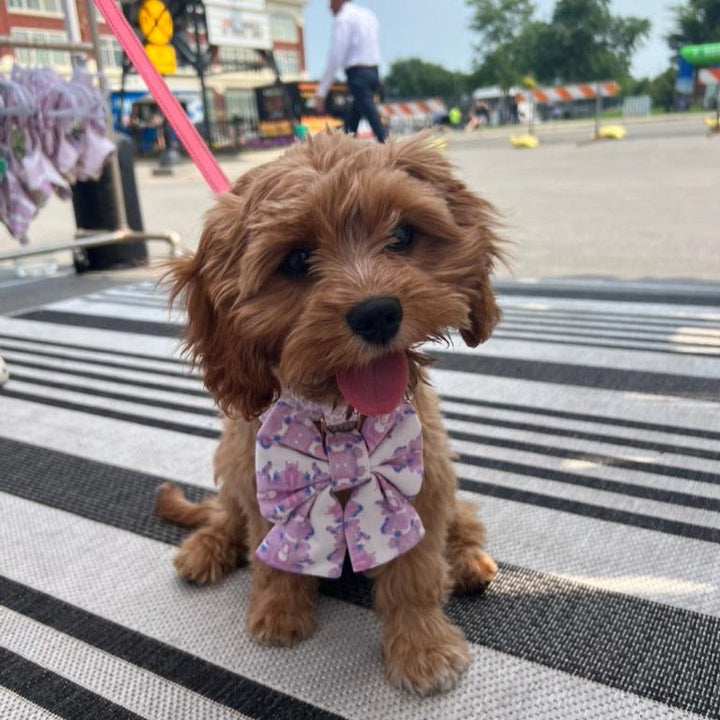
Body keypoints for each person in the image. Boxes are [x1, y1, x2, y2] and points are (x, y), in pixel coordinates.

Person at [314, 0, 386, 143]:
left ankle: (389, 145)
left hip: (357, 73)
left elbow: (335, 57)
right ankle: (343, 146)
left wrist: (321, 92)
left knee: (369, 112)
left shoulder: (343, 19)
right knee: (355, 112)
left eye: (330, 2)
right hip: (373, 71)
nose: (329, 7)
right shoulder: (368, 15)